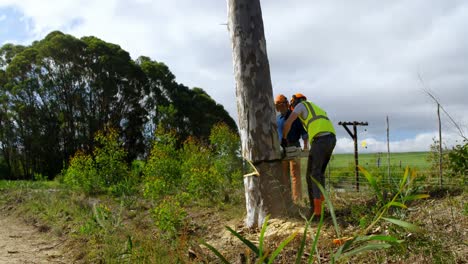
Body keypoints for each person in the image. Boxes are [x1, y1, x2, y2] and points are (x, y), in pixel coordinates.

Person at [281, 93, 336, 218]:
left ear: (294, 102)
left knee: (313, 176)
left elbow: (288, 123)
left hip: (320, 140)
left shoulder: (300, 106)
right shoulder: (316, 108)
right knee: (318, 174)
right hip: (331, 139)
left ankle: (316, 213)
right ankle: (321, 207)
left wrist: (284, 139)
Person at [275, 94, 308, 203]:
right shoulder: (276, 119)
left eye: (283, 104)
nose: (281, 107)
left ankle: (297, 199)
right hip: (281, 149)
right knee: (284, 175)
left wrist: (306, 146)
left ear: (286, 104)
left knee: (295, 175)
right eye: (279, 105)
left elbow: (304, 133)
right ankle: (286, 200)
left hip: (294, 147)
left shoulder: (294, 116)